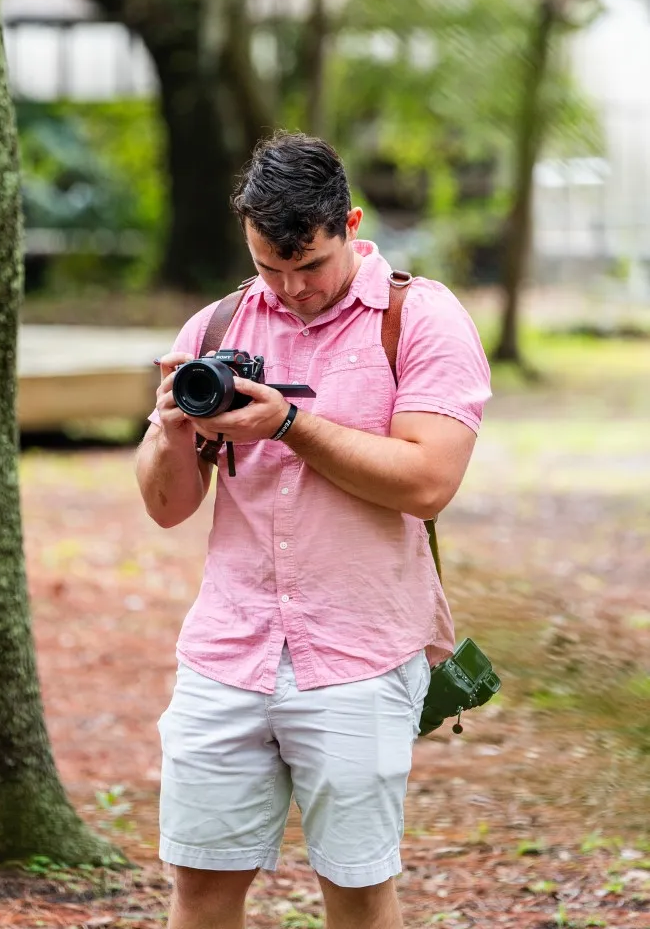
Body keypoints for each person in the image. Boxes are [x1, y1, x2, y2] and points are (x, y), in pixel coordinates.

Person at [135, 131, 491, 929]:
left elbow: (429, 484)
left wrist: (291, 424)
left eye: (311, 267)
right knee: (199, 886)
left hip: (360, 653)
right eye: (270, 268)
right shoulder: (218, 324)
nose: (291, 289)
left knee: (359, 892)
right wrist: (170, 431)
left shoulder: (419, 318)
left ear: (351, 225)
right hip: (229, 649)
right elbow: (165, 507)